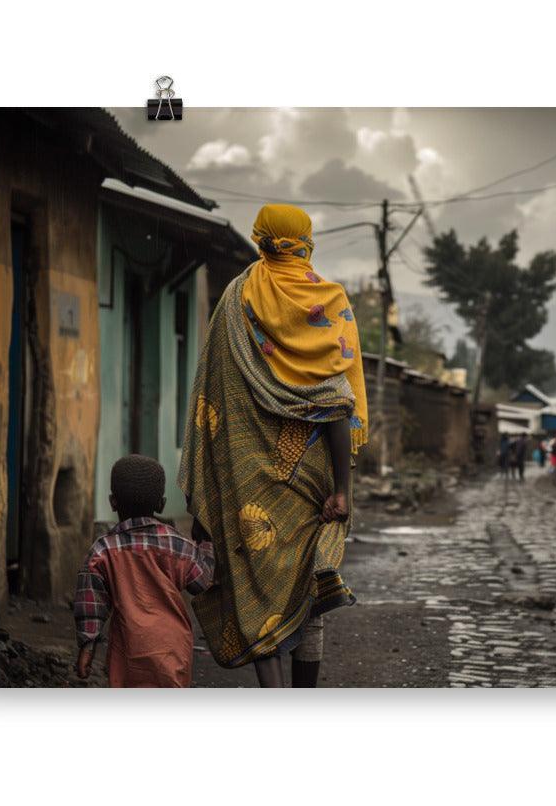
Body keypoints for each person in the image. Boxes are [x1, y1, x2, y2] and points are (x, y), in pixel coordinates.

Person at [178, 204, 365, 688]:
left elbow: (213, 397)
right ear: (306, 240)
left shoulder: (237, 298)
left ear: (261, 237)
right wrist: (342, 491)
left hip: (246, 482)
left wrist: (208, 498)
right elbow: (338, 405)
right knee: (309, 591)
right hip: (316, 480)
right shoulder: (330, 300)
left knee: (256, 592)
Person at [73, 455, 215, 688]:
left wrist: (87, 647)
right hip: (173, 650)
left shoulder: (102, 550)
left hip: (127, 652)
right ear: (161, 504)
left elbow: (90, 605)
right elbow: (203, 581)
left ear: (112, 502)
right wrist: (206, 544)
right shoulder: (178, 545)